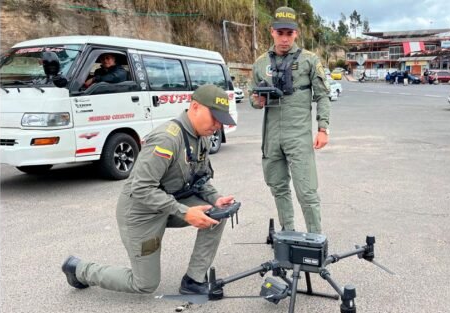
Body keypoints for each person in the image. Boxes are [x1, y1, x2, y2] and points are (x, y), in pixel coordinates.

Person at [62, 84, 237, 295]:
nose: (218, 125)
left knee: (215, 215)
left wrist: (216, 199)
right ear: (195, 106)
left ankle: (193, 280)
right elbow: (142, 189)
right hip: (141, 213)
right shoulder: (168, 138)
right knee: (144, 284)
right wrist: (185, 212)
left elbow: (200, 179)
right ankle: (79, 269)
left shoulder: (202, 138)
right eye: (215, 117)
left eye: (222, 120)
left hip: (167, 204)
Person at [249, 6, 330, 234]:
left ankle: (315, 238)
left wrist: (323, 128)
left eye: (289, 33)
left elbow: (323, 95)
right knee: (278, 187)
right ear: (271, 31)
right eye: (280, 32)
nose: (284, 38)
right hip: (272, 137)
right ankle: (288, 235)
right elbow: (252, 98)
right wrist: (258, 101)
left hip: (298, 135)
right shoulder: (260, 63)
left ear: (296, 33)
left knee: (307, 190)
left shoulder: (309, 60)